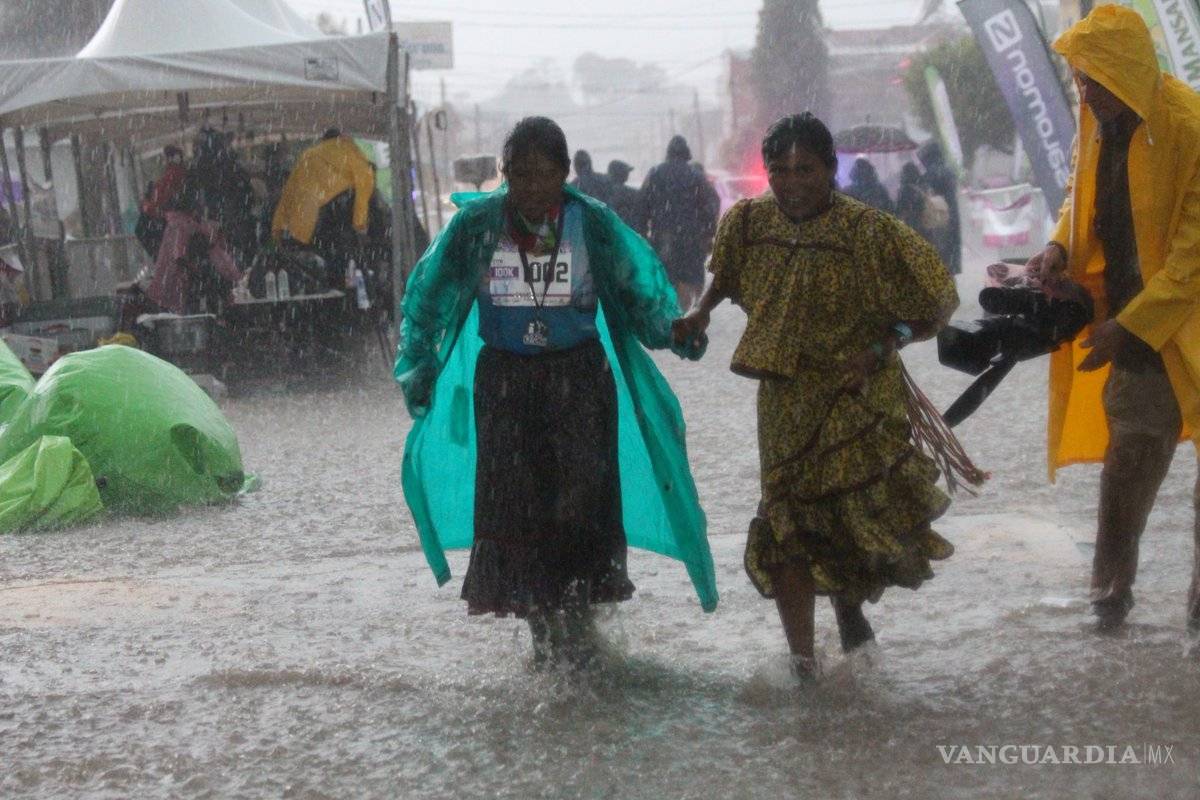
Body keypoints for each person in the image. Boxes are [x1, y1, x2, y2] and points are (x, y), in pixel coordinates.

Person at [396, 116, 716, 668]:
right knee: (520, 518)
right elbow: (427, 299)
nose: (532, 188)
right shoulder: (476, 227)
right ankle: (545, 643)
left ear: (566, 174)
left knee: (580, 514)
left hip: (580, 390)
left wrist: (675, 330)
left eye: (545, 176)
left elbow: (642, 295)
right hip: (506, 393)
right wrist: (418, 368)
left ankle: (582, 637)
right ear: (505, 172)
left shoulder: (592, 224)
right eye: (519, 175)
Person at [672, 113, 961, 676]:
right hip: (782, 401)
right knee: (786, 524)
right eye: (779, 170)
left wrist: (878, 352)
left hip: (856, 399)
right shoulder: (750, 222)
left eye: (806, 169)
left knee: (842, 518)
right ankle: (802, 663)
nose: (792, 182)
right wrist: (700, 313)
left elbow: (935, 305)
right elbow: (727, 275)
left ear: (832, 170)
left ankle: (849, 612)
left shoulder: (870, 232)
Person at [1026, 5, 1200, 633]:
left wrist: (1128, 326)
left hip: (1180, 320)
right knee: (1125, 465)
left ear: (1125, 72)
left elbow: (1192, 258)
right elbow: (1082, 193)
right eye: (1077, 79)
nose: (1084, 92)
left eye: (1092, 79)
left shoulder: (1190, 128)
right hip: (1140, 330)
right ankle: (1109, 603)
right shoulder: (1099, 123)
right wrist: (1058, 247)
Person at [640, 135, 720, 310]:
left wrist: (642, 234)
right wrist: (708, 233)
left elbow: (641, 206)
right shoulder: (696, 176)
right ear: (687, 155)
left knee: (667, 278)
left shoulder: (654, 174)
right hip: (691, 239)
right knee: (691, 280)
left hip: (663, 238)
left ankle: (672, 317)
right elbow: (712, 204)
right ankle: (689, 314)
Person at [271, 128, 375, 249]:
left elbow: (290, 192)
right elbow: (363, 191)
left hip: (310, 218)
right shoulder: (353, 154)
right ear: (341, 139)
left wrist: (278, 226)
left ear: (323, 141)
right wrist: (360, 224)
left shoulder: (309, 155)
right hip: (341, 214)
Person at [145, 186, 241, 316]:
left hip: (174, 286)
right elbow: (179, 257)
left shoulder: (180, 224)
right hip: (178, 286)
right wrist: (196, 272)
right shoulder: (181, 225)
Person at [916, 141, 961, 276]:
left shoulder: (931, 173)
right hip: (951, 215)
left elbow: (925, 192)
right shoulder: (948, 170)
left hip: (937, 217)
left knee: (939, 252)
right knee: (950, 255)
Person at [894, 162, 931, 243]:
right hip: (927, 225)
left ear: (905, 174)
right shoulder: (924, 185)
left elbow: (899, 211)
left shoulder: (905, 190)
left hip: (913, 227)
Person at [605, 159, 643, 232]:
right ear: (621, 174)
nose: (628, 174)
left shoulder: (603, 191)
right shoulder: (632, 193)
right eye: (626, 172)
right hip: (629, 232)